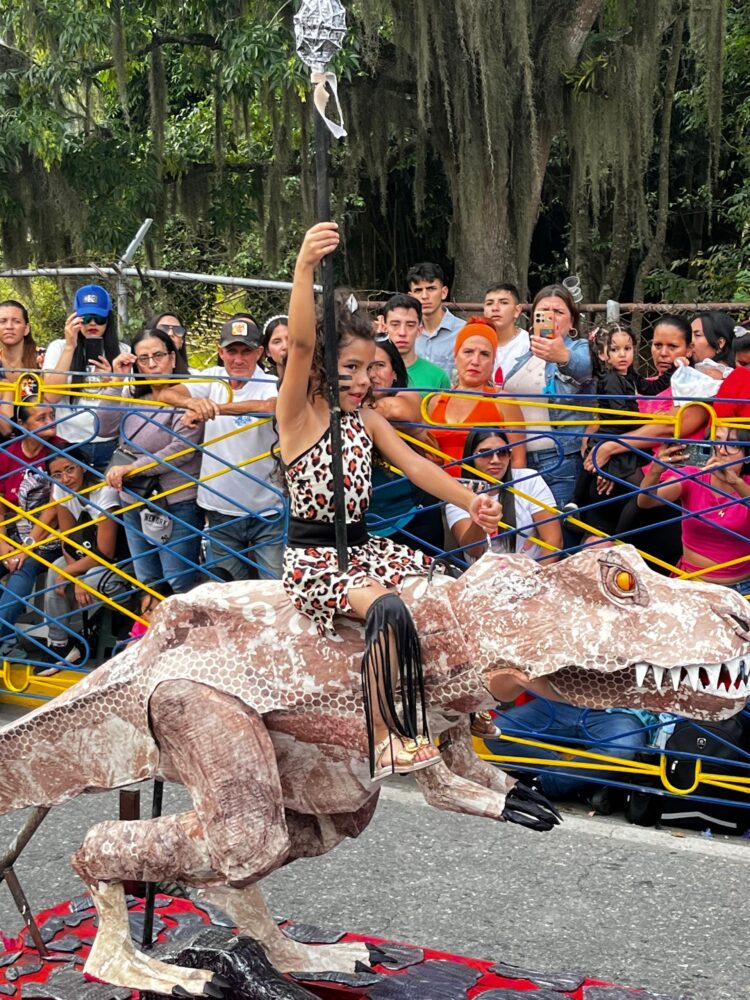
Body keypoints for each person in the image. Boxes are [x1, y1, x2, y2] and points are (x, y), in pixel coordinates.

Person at [278, 222, 500, 780]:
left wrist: (471, 500)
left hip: (366, 548)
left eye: (368, 368)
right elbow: (302, 342)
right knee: (388, 609)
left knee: (448, 590)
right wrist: (304, 268)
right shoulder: (298, 416)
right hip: (317, 560)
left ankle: (463, 704)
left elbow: (418, 465)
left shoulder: (368, 417)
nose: (360, 379)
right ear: (325, 365)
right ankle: (389, 735)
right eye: (348, 368)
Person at [160, 314, 284, 581]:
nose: (238, 359)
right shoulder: (213, 378)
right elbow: (167, 394)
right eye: (231, 351)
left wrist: (214, 408)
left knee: (277, 587)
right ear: (220, 351)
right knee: (225, 589)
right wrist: (193, 404)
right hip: (219, 511)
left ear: (259, 353)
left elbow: (270, 407)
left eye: (246, 351)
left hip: (267, 511)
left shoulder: (269, 383)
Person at [100, 327, 204, 594]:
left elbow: (183, 448)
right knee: (147, 580)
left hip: (175, 501)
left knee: (177, 582)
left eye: (158, 355)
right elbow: (104, 427)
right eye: (143, 358)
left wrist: (133, 468)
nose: (152, 363)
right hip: (133, 500)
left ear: (172, 357)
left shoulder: (188, 398)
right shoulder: (132, 399)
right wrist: (115, 381)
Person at [572, 323, 675, 538]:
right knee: (600, 469)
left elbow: (652, 388)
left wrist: (674, 370)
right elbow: (622, 415)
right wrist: (653, 420)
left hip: (623, 436)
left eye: (627, 349)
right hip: (612, 433)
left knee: (626, 480)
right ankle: (576, 506)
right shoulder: (611, 379)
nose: (622, 355)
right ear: (603, 355)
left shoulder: (631, 376)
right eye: (614, 349)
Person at [500, 284, 592, 509]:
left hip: (559, 461)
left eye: (559, 312)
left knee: (558, 535)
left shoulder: (581, 348)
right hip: (518, 461)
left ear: (571, 321)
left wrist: (562, 357)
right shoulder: (523, 358)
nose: (551, 318)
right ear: (533, 320)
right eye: (544, 312)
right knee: (525, 536)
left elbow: (584, 368)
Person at [636, 427, 750, 593]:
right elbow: (646, 501)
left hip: (741, 590)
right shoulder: (693, 476)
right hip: (690, 583)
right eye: (717, 441)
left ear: (747, 456)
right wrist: (655, 470)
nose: (722, 451)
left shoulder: (746, 486)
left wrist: (736, 483)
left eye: (732, 444)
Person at [42, 449, 126, 666]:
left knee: (89, 580)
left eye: (70, 469)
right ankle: (60, 644)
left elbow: (105, 552)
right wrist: (72, 570)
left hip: (114, 558)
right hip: (84, 553)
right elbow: (68, 541)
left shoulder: (104, 492)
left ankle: (92, 630)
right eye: (57, 474)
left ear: (83, 466)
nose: (65, 479)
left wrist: (76, 575)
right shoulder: (62, 491)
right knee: (54, 570)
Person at [366, 338, 445, 555]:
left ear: (394, 374)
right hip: (365, 519)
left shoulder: (407, 396)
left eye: (380, 366)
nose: (373, 374)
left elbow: (398, 410)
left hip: (413, 513)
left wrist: (355, 406)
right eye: (366, 366)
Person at [0, 399, 66, 653]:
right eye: (41, 418)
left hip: (51, 537)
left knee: (23, 569)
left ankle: (3, 637)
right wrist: (4, 542)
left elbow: (53, 508)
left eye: (52, 416)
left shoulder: (60, 450)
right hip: (14, 534)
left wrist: (26, 547)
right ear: (22, 425)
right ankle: (6, 641)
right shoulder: (7, 453)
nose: (51, 423)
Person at [43, 284, 131, 471]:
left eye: (99, 318)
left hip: (110, 441)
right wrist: (70, 347)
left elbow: (130, 401)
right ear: (74, 318)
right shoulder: (58, 347)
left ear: (109, 319)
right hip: (68, 442)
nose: (92, 324)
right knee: (68, 499)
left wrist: (112, 383)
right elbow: (50, 397)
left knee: (108, 498)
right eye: (86, 318)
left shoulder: (123, 351)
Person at [426, 317, 527, 476]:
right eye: (468, 352)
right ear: (456, 355)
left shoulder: (503, 402)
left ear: (493, 361)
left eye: (485, 354)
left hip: (486, 496)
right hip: (439, 494)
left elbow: (518, 463)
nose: (475, 361)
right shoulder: (435, 401)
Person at [445, 429, 561, 563]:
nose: (495, 460)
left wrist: (534, 579)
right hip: (485, 577)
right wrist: (481, 512)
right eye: (486, 453)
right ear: (471, 457)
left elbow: (553, 541)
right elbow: (473, 551)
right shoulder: (457, 492)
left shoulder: (529, 479)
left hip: (533, 573)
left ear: (510, 455)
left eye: (502, 452)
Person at [382, 294, 450, 391]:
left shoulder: (438, 377)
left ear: (419, 330)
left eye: (410, 325)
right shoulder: (370, 372)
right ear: (385, 327)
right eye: (395, 324)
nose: (402, 332)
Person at [406, 262, 465, 375]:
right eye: (418, 290)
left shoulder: (464, 331)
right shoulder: (404, 333)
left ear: (443, 293)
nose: (424, 296)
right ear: (411, 297)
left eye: (431, 289)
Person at [483, 282, 527, 384]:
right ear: (484, 310)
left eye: (503, 303)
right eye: (489, 303)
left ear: (517, 310)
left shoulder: (529, 345)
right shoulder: (476, 343)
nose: (495, 308)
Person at [690, 311, 735, 375]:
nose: (690, 341)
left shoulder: (726, 376)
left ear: (720, 343)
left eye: (697, 335)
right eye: (689, 335)